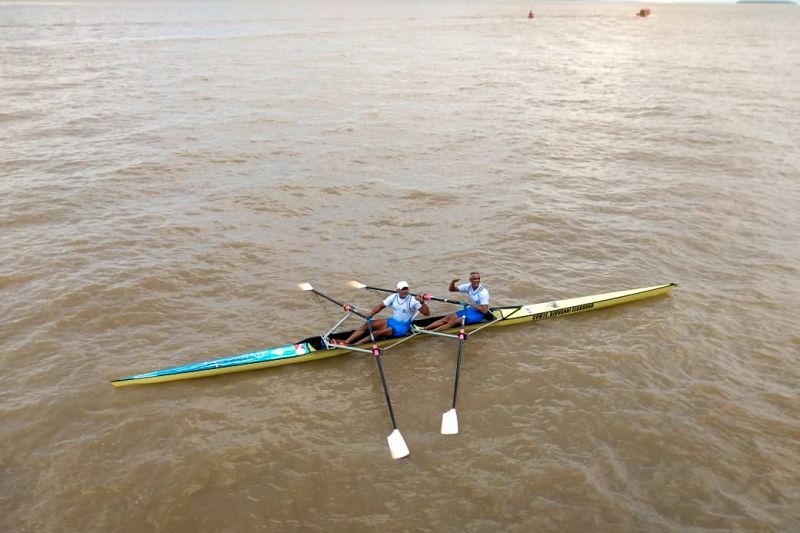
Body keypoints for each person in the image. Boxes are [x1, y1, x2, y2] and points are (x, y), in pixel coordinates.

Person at [333, 281, 430, 346]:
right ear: (398, 290)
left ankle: (353, 346)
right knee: (368, 324)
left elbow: (427, 314)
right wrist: (370, 315)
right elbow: (380, 306)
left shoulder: (413, 300)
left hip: (402, 328)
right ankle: (346, 341)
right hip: (392, 321)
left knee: (376, 333)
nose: (405, 291)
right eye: (403, 289)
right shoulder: (393, 297)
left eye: (406, 289)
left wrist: (421, 302)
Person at [424, 272, 490, 331]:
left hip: (478, 314)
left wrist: (471, 304)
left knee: (454, 321)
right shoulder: (468, 286)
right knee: (447, 318)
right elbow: (452, 289)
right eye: (475, 279)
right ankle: (425, 328)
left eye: (478, 279)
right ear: (470, 280)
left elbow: (485, 311)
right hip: (470, 310)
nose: (477, 280)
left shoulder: (483, 292)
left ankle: (431, 332)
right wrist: (453, 281)